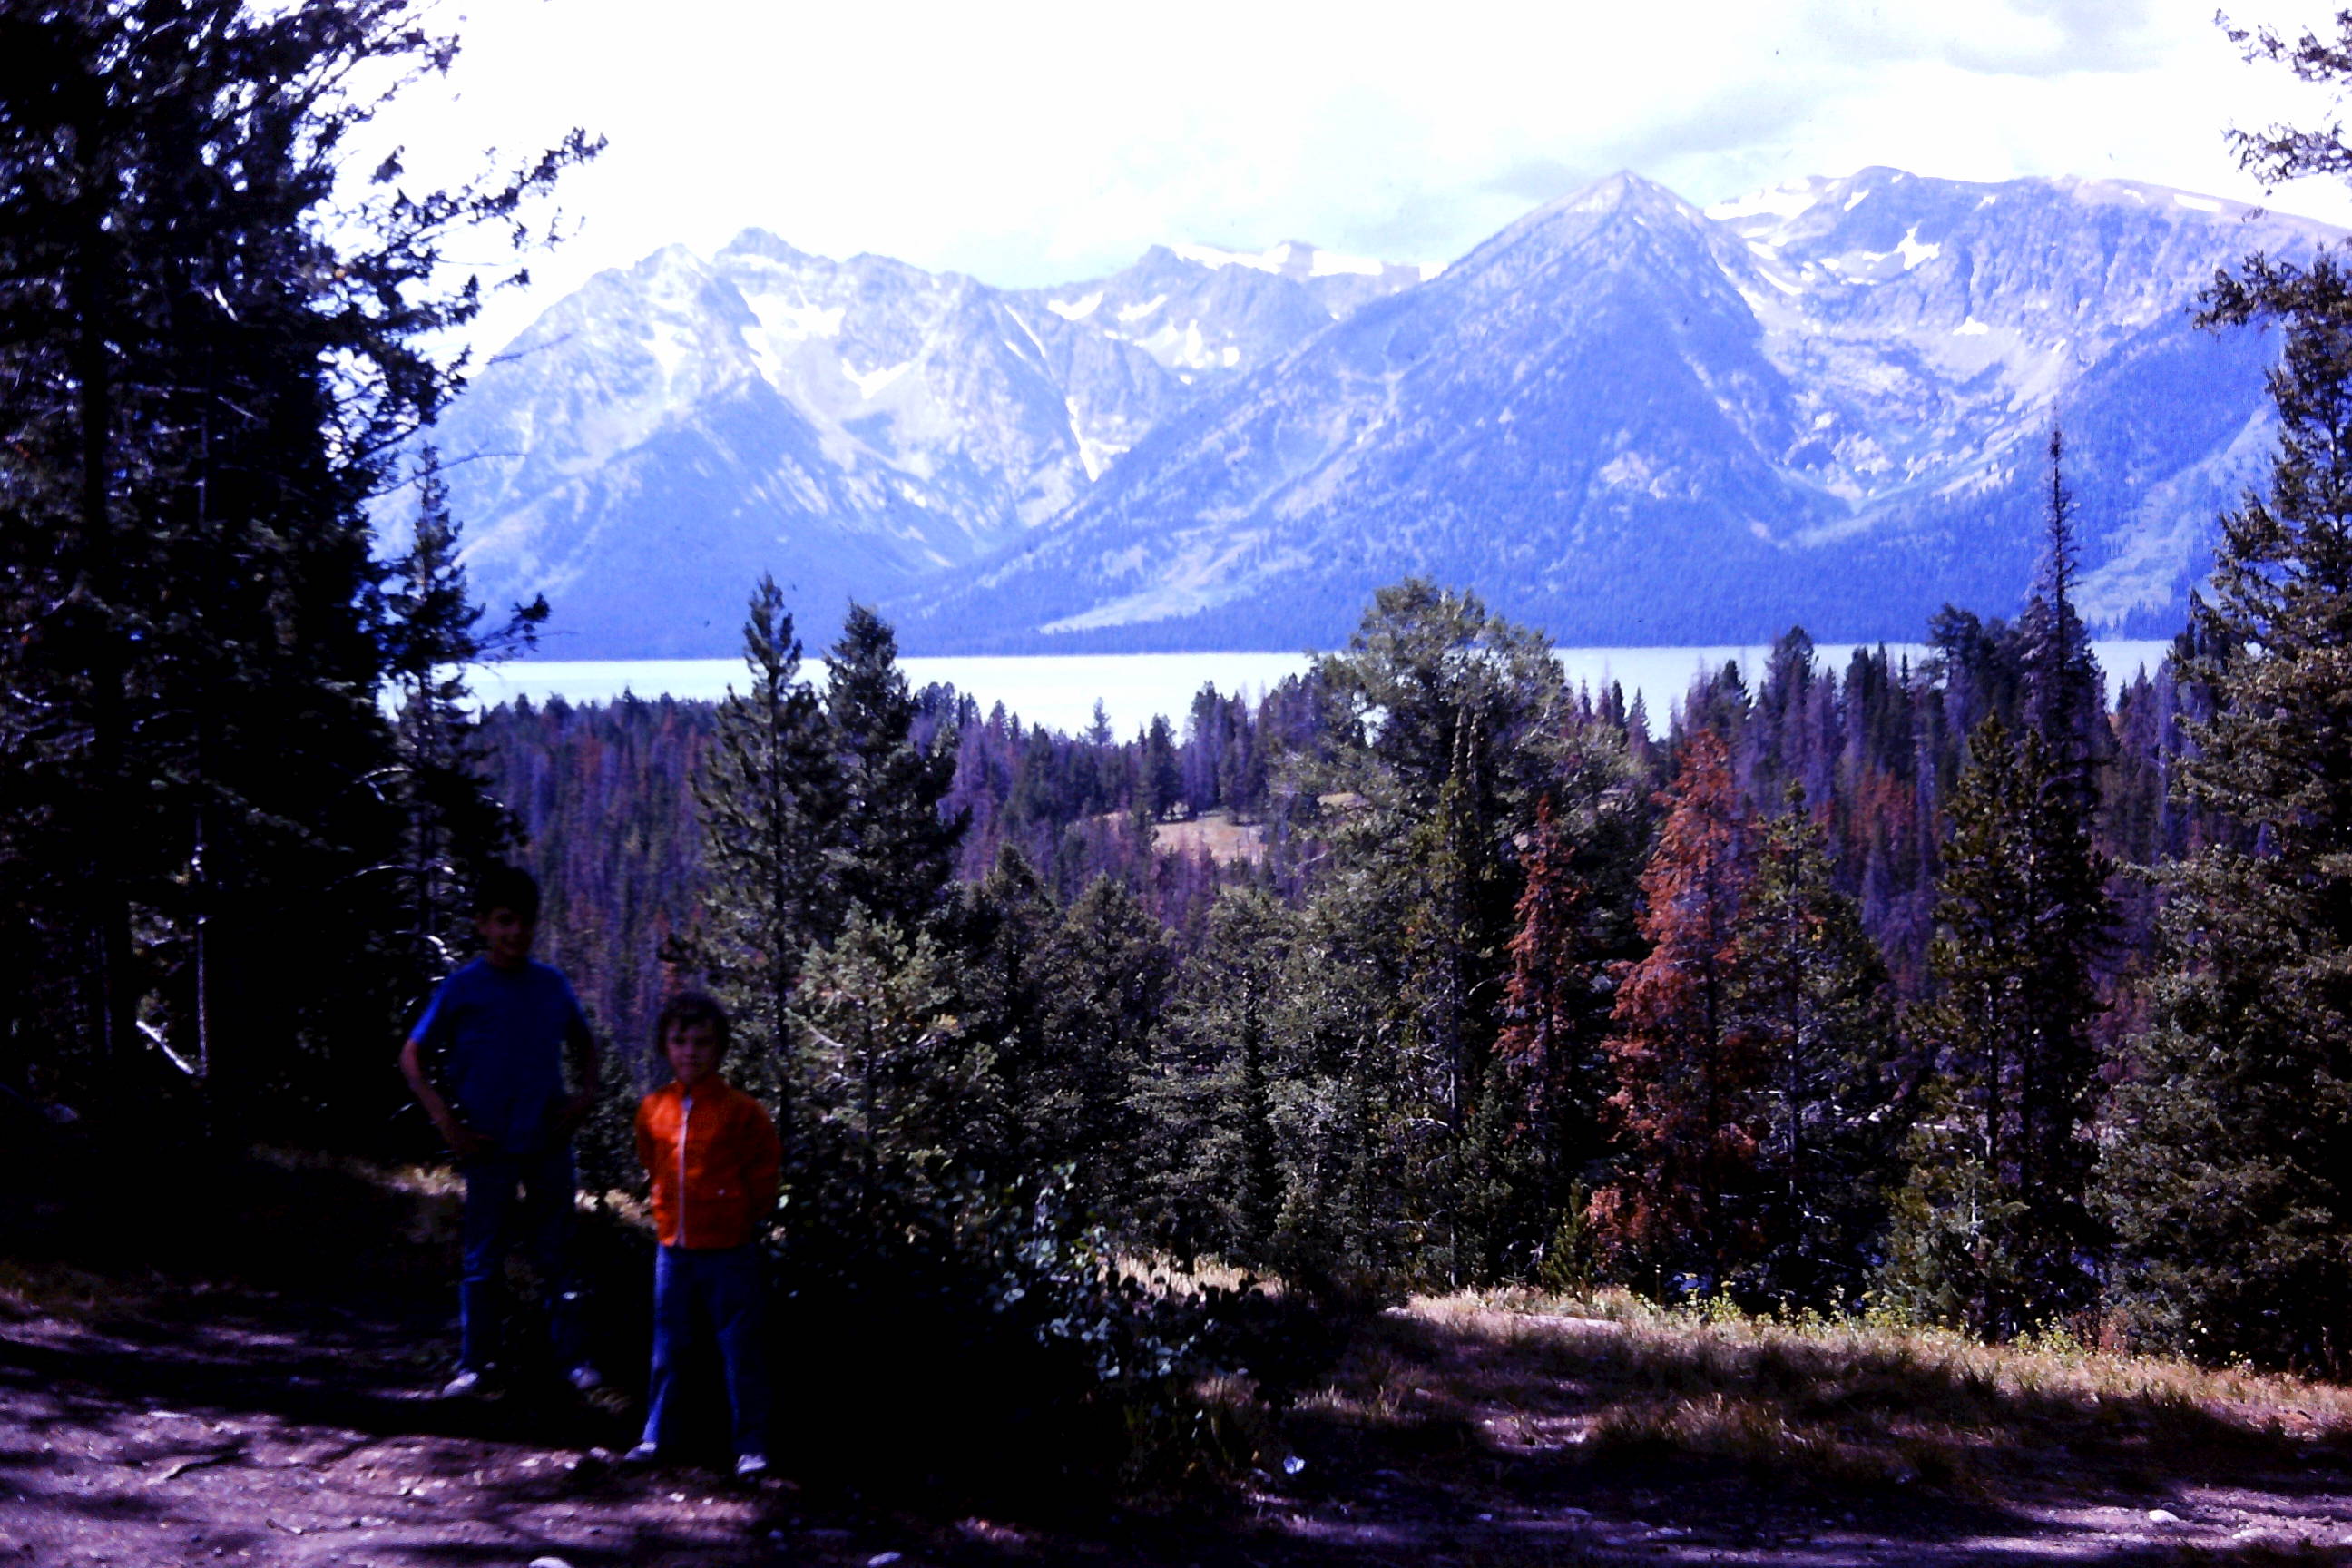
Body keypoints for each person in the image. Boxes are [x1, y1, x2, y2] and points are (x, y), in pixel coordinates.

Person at [398, 865, 603, 1397]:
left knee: (557, 1252)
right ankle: (475, 1364)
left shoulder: (551, 985)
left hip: (547, 1142)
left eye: (525, 922)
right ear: (483, 924)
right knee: (482, 1256)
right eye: (505, 921)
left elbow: (584, 1043)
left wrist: (582, 1099)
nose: (516, 932)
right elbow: (412, 1054)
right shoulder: (465, 987)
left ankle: (572, 1362)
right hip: (487, 1144)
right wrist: (447, 1122)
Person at [625, 992, 780, 1477]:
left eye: (702, 1042)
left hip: (729, 1251)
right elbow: (652, 1161)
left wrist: (740, 1217)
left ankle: (751, 1445)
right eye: (680, 1041)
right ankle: (657, 1436)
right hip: (673, 1249)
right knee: (669, 1347)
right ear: (666, 1047)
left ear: (718, 1049)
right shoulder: (654, 1108)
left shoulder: (741, 1111)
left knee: (740, 1348)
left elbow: (763, 1173)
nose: (690, 1051)